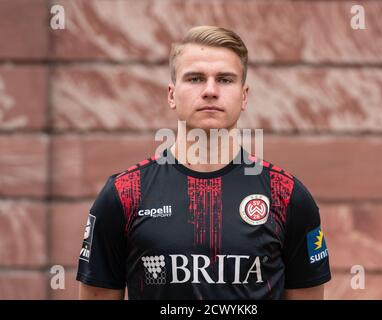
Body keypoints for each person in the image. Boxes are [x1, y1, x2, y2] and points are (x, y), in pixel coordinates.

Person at [76, 26, 331, 300]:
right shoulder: (124, 194)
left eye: (225, 79)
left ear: (244, 96)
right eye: (196, 78)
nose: (210, 90)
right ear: (172, 95)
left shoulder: (287, 196)